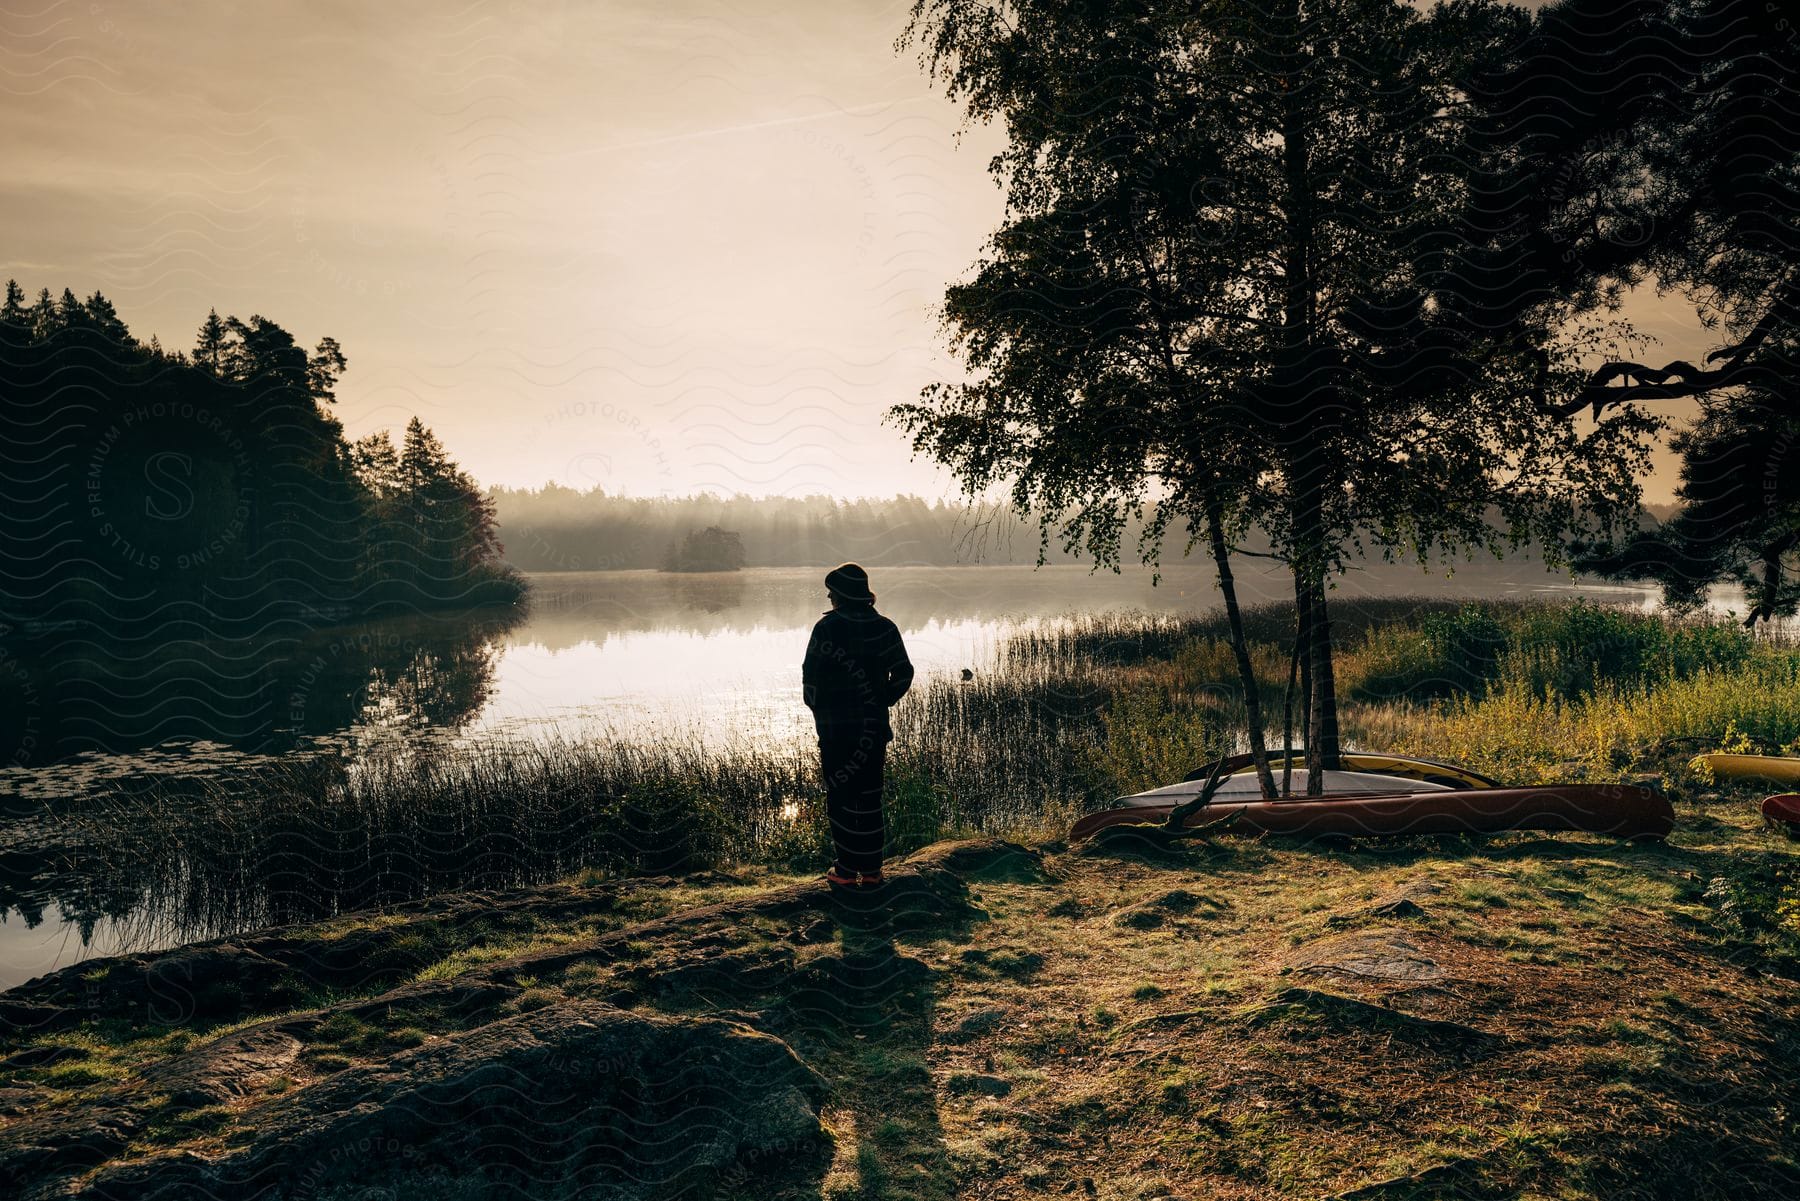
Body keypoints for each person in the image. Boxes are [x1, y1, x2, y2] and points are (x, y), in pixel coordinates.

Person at [801, 562, 913, 888]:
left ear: (838, 595)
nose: (829, 596)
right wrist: (881, 701)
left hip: (836, 732)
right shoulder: (885, 628)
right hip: (872, 730)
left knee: (840, 797)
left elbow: (810, 680)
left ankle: (847, 871)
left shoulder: (826, 629)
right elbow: (904, 673)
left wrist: (821, 712)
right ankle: (874, 870)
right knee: (869, 797)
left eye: (831, 592)